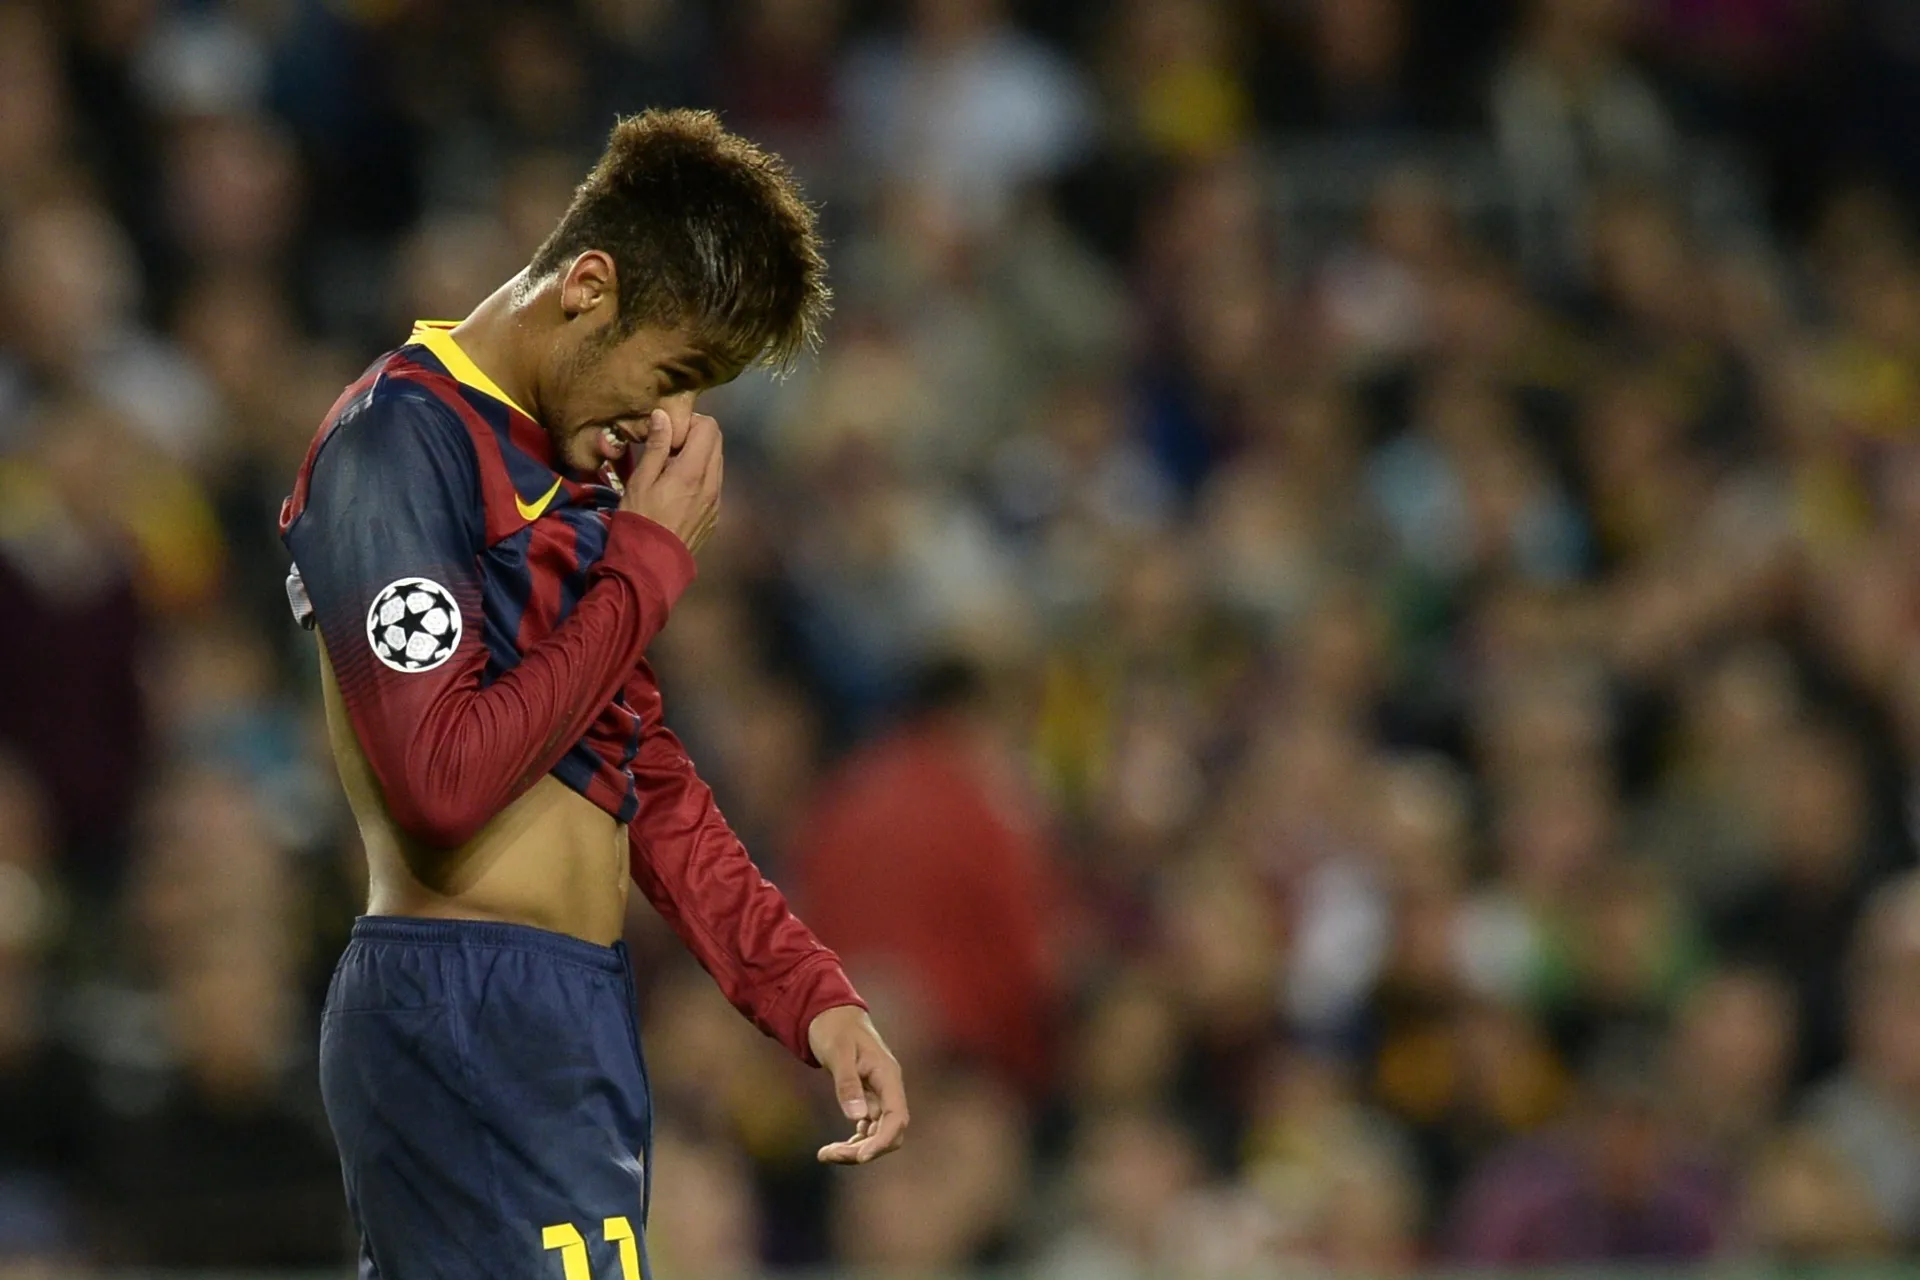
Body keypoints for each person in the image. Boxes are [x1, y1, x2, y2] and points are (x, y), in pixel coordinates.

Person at [278, 109, 907, 1279]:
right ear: (588, 286)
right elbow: (442, 779)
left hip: (568, 1011)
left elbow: (641, 770)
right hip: (465, 1004)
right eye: (670, 374)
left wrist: (808, 993)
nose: (667, 423)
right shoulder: (394, 443)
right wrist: (649, 567)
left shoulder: (569, 479)